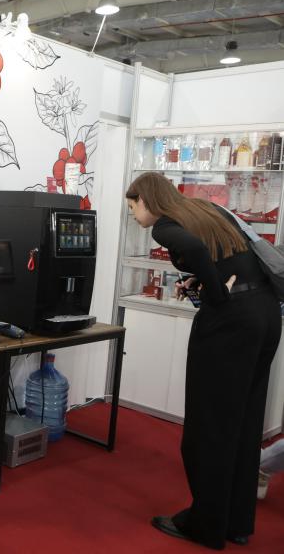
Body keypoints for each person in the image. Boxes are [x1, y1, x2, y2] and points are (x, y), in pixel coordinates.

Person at [125, 172, 280, 550]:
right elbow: (231, 257)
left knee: (208, 427)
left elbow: (194, 250)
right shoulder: (205, 210)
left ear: (146, 200)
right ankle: (236, 522)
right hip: (265, 315)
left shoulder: (165, 226)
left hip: (231, 324)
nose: (132, 214)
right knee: (244, 424)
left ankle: (206, 525)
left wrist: (217, 296)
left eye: (132, 206)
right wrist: (204, 281)